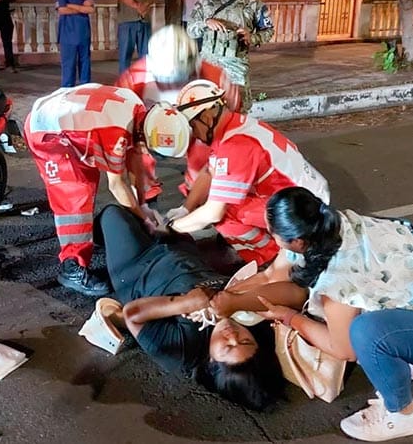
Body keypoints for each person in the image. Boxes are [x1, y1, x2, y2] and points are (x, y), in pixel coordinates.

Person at [259, 187, 413, 442]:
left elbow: (343, 349)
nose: (271, 237)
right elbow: (275, 273)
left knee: (365, 332)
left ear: (298, 242)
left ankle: (402, 414)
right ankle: (405, 356)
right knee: (368, 311)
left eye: (272, 232)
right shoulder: (344, 224)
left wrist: (291, 318)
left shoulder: (337, 281)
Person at [96, 203, 306, 409]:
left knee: (114, 214)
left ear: (212, 363)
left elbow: (133, 313)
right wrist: (233, 301)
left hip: (139, 267)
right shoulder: (252, 322)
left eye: (228, 347)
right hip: (186, 256)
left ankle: (96, 239)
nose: (233, 335)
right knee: (174, 225)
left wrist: (184, 303)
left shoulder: (182, 352)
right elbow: (296, 294)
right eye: (244, 341)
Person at [23, 83, 190, 296]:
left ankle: (91, 235)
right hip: (47, 134)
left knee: (89, 179)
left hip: (73, 126)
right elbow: (117, 184)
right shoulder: (116, 135)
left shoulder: (138, 110)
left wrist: (143, 204)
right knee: (76, 192)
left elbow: (136, 158)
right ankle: (72, 267)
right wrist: (145, 218)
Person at [165, 79, 329, 266]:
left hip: (303, 207)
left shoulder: (235, 146)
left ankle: (271, 256)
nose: (194, 134)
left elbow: (213, 213)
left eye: (193, 127)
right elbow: (210, 172)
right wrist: (185, 209)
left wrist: (172, 228)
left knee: (225, 213)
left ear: (207, 118)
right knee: (214, 195)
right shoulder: (235, 127)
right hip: (304, 195)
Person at [115, 25, 240, 205]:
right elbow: (120, 119)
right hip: (149, 132)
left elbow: (230, 118)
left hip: (195, 132)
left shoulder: (215, 78)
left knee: (204, 152)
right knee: (136, 154)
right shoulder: (135, 77)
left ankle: (196, 197)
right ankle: (147, 198)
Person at [187, 0, 274, 112]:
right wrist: (206, 22)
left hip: (236, 69)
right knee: (205, 114)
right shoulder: (205, 3)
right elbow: (190, 30)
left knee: (237, 114)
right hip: (208, 67)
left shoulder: (254, 6)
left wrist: (252, 37)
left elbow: (268, 30)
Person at [55, 0, 95, 87]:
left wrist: (71, 5)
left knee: (85, 63)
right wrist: (81, 7)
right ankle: (66, 92)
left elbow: (90, 9)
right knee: (68, 65)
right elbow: (61, 9)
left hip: (83, 31)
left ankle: (86, 90)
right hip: (67, 32)